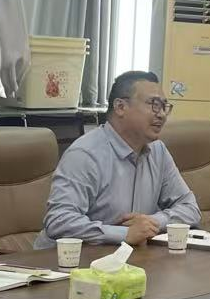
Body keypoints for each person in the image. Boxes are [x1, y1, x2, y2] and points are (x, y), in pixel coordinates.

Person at [40, 70, 199, 246]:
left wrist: (153, 222)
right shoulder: (85, 154)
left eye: (164, 106)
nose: (161, 114)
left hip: (126, 258)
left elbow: (190, 208)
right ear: (120, 107)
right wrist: (124, 234)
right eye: (153, 104)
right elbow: (59, 221)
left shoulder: (158, 151)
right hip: (68, 259)